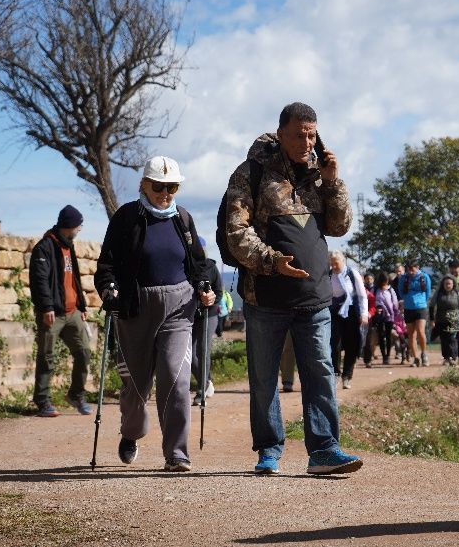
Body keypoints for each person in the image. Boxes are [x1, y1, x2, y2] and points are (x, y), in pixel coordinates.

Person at [224, 101, 363, 475]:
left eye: (312, 135)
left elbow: (339, 227)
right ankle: (269, 450)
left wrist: (333, 181)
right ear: (281, 133)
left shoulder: (320, 173)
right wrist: (273, 262)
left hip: (315, 299)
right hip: (266, 298)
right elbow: (235, 232)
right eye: (300, 134)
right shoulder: (251, 173)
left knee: (319, 371)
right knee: (265, 377)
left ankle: (324, 450)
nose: (307, 142)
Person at [94, 156, 216, 472]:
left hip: (179, 307)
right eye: (159, 186)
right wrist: (109, 287)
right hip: (135, 307)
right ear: (144, 185)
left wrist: (204, 286)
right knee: (135, 387)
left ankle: (176, 453)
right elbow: (106, 263)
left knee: (175, 378)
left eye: (171, 187)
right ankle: (132, 432)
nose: (165, 193)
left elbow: (199, 263)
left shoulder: (183, 219)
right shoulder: (126, 217)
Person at [29, 205, 91, 417]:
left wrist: (82, 305)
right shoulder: (44, 247)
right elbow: (39, 281)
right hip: (52, 313)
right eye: (78, 226)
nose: (80, 229)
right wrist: (46, 307)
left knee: (84, 352)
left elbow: (73, 279)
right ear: (69, 226)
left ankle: (76, 394)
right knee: (47, 356)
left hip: (73, 312)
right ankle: (43, 401)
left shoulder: (68, 245)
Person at [329, 251, 368, 389]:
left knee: (351, 344)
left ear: (342, 262)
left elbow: (362, 295)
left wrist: (364, 314)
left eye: (336, 263)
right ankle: (335, 373)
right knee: (335, 343)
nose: (334, 266)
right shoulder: (328, 275)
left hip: (351, 311)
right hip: (335, 312)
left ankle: (347, 375)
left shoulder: (352, 274)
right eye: (331, 263)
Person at [191, 237, 222, 406]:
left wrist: (209, 303)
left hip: (209, 315)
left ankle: (202, 389)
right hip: (192, 315)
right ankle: (207, 381)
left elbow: (219, 292)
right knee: (188, 353)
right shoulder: (187, 268)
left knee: (203, 349)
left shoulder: (211, 267)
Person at [397, 259, 432, 367]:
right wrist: (407, 299)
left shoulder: (424, 277)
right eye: (409, 270)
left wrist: (421, 301)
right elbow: (401, 291)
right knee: (411, 334)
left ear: (417, 268)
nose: (410, 272)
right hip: (408, 308)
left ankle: (424, 354)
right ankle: (416, 358)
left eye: (412, 269)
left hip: (421, 307)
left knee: (421, 331)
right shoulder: (404, 278)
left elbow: (428, 292)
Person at [431, 274, 459, 365]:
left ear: (453, 284)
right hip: (441, 320)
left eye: (449, 284)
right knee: (444, 340)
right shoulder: (438, 293)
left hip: (455, 321)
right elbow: (431, 306)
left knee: (452, 339)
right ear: (443, 284)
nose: (447, 285)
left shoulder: (457, 293)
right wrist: (432, 320)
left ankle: (453, 357)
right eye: (446, 284)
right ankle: (446, 358)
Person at [374, 270, 400, 364]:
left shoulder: (390, 290)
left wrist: (396, 314)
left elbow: (395, 302)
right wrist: (377, 308)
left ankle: (388, 355)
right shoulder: (377, 290)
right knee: (381, 336)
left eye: (386, 281)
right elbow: (374, 301)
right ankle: (383, 355)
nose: (385, 283)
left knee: (389, 335)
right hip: (380, 315)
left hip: (390, 316)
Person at [361, 272, 378, 368]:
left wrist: (369, 314)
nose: (368, 280)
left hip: (368, 319)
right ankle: (354, 359)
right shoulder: (355, 288)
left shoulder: (371, 292)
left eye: (370, 279)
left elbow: (373, 304)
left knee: (368, 340)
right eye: (366, 279)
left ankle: (368, 360)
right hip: (355, 318)